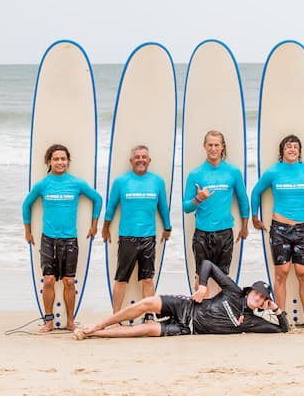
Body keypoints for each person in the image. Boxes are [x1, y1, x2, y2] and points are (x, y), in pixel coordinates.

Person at [73, 260, 289, 339]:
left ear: (263, 303)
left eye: (262, 298)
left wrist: (276, 309)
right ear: (249, 292)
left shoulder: (252, 322)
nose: (257, 297)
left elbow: (282, 329)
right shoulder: (234, 291)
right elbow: (207, 264)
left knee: (146, 330)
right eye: (256, 293)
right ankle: (99, 324)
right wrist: (202, 285)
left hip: (187, 329)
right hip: (186, 306)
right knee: (147, 303)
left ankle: (93, 333)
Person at [22, 143, 103, 332]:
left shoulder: (76, 183)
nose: (60, 162)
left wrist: (94, 225)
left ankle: (70, 321)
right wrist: (27, 231)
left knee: (69, 282)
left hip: (70, 239)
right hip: (48, 239)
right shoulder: (43, 185)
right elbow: (26, 205)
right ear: (49, 162)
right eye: (56, 159)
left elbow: (97, 199)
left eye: (63, 159)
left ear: (68, 161)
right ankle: (49, 321)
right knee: (49, 280)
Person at [251, 134, 304, 329]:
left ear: (299, 151)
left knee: (303, 273)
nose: (292, 149)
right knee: (281, 273)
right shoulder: (273, 172)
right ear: (282, 151)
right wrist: (254, 217)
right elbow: (256, 192)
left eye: (295, 147)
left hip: (303, 229)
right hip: (280, 229)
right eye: (288, 147)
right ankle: (282, 318)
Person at [102, 145, 171, 315]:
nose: (141, 160)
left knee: (147, 279)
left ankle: (149, 316)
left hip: (148, 237)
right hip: (127, 237)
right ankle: (116, 315)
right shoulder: (121, 181)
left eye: (144, 157)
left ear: (149, 160)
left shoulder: (157, 181)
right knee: (121, 279)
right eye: (137, 157)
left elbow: (163, 206)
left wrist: (167, 227)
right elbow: (111, 207)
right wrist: (105, 228)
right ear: (131, 160)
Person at [183, 130, 249, 288]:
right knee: (201, 279)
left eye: (216, 145)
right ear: (204, 146)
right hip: (202, 234)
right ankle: (199, 305)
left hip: (224, 232)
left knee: (223, 279)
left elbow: (243, 199)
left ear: (222, 146)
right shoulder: (195, 174)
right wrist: (198, 198)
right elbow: (186, 207)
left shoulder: (233, 172)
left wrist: (245, 226)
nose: (213, 148)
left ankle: (222, 306)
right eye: (210, 145)